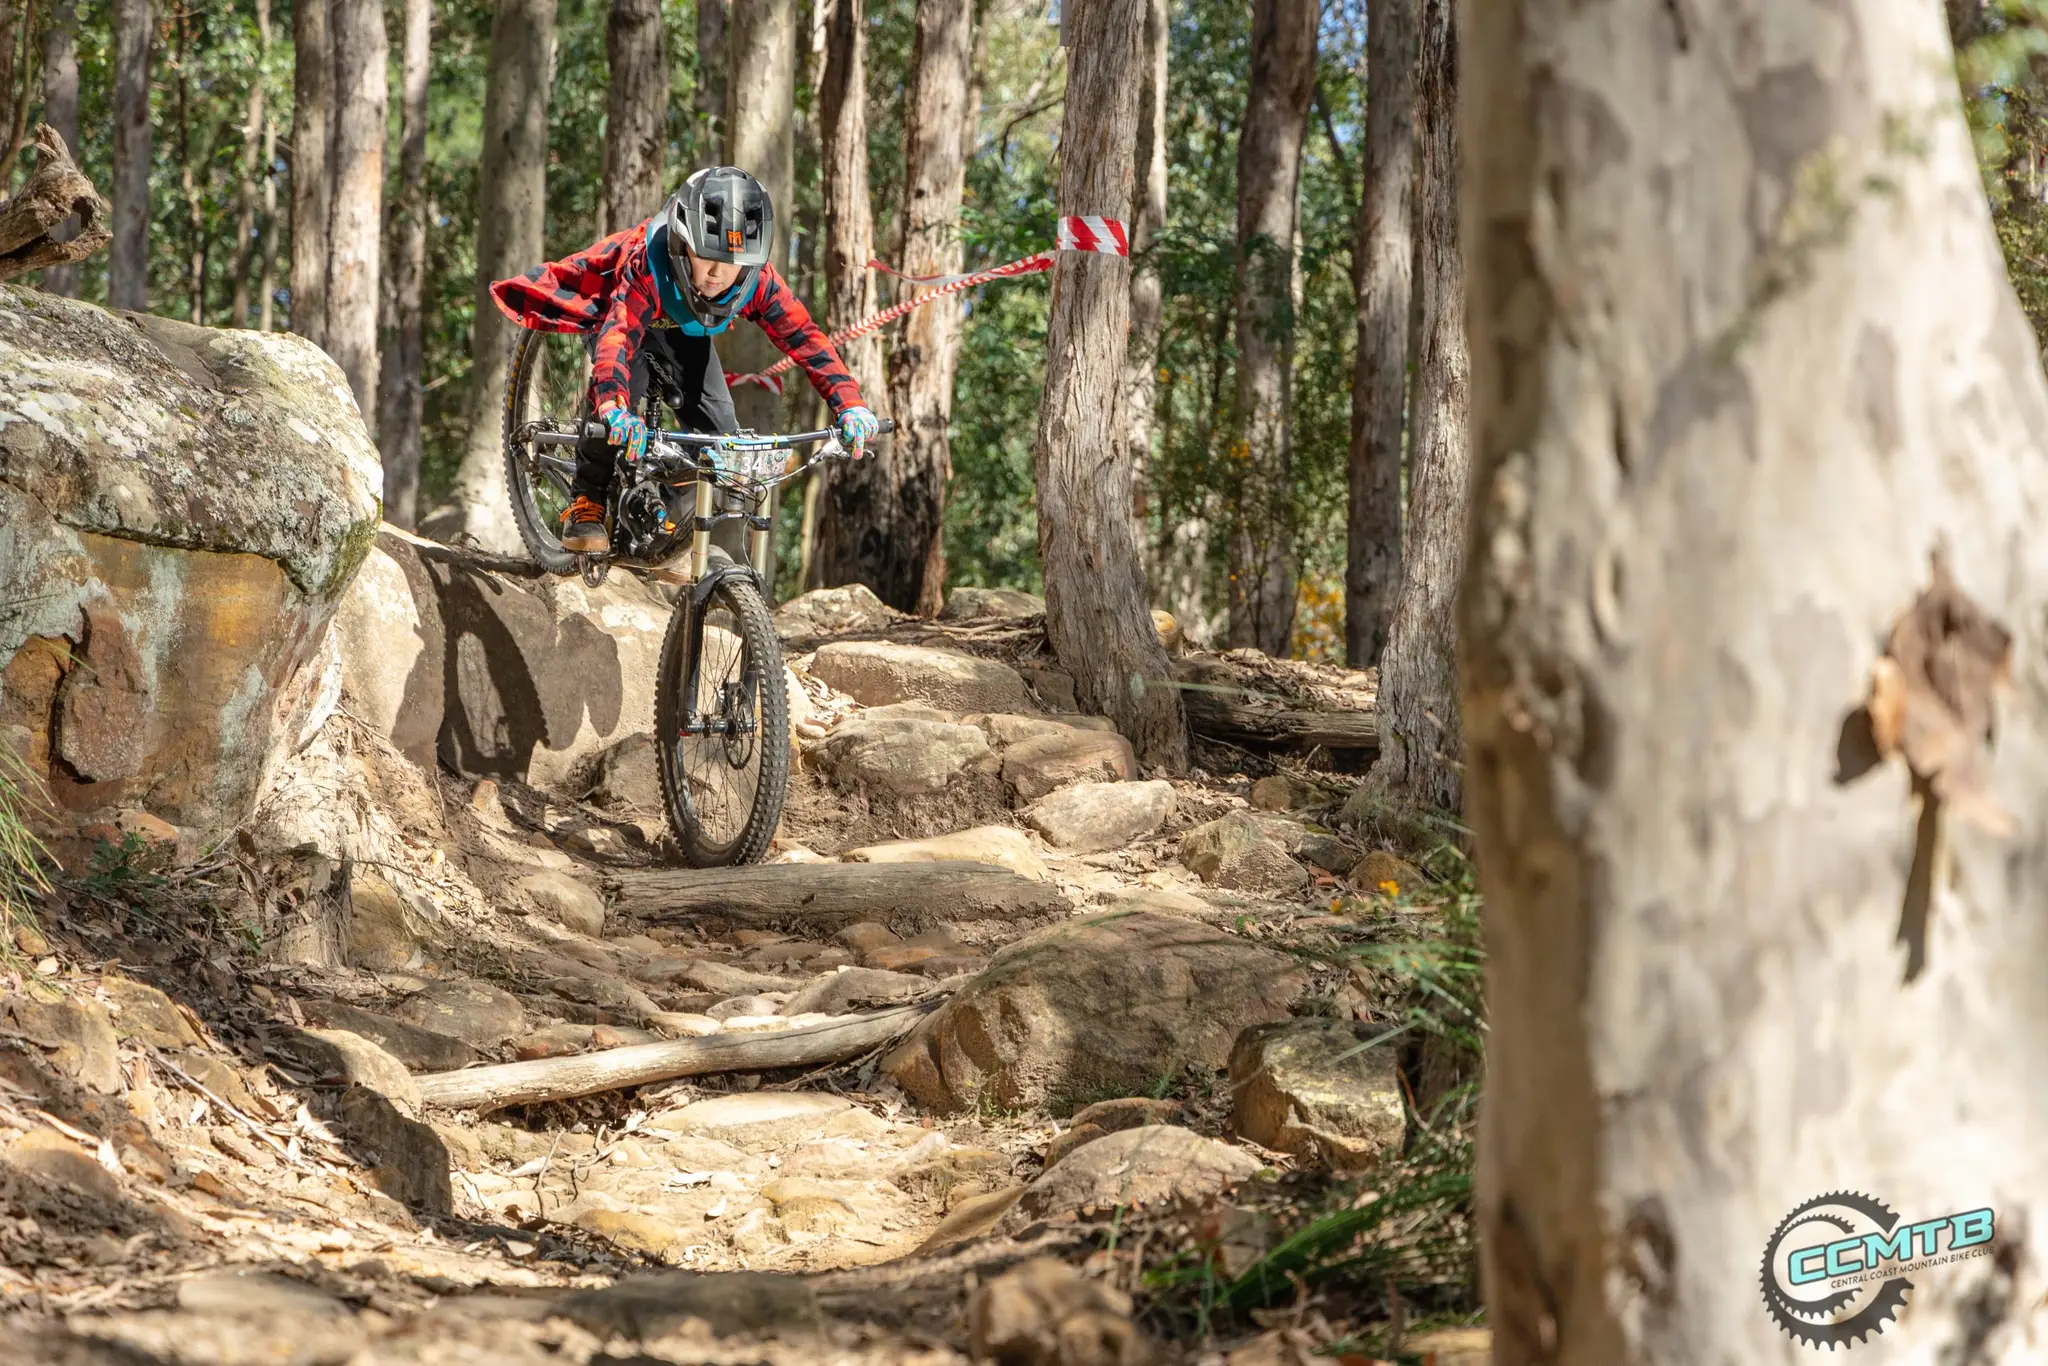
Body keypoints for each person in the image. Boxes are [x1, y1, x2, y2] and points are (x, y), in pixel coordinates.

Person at [490, 165, 880, 554]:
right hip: (620, 314)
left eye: (733, 263)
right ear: (681, 241)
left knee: (722, 439)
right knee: (628, 389)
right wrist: (613, 404)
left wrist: (851, 405)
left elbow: (806, 339)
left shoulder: (758, 281)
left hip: (682, 331)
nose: (717, 274)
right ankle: (587, 501)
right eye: (705, 256)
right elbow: (620, 336)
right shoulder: (649, 264)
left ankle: (657, 510)